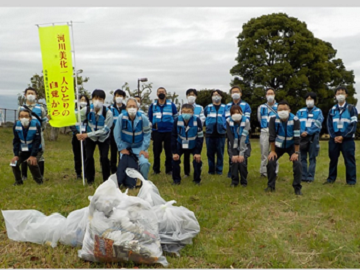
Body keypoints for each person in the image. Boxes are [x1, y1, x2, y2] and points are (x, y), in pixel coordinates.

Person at [76, 89, 113, 185]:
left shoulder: (108, 113)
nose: (98, 101)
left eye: (100, 99)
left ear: (104, 101)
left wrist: (87, 135)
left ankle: (106, 180)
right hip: (90, 138)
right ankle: (90, 180)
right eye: (96, 98)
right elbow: (75, 117)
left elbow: (105, 130)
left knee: (104, 158)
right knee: (88, 157)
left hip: (103, 138)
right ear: (92, 99)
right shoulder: (87, 110)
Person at [266, 100, 302, 195]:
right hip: (278, 146)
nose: (282, 111)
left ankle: (297, 188)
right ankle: (270, 186)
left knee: (298, 164)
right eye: (280, 109)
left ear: (289, 110)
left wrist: (296, 153)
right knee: (270, 162)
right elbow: (272, 136)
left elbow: (297, 137)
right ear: (277, 111)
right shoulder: (273, 119)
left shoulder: (295, 119)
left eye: (285, 109)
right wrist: (272, 151)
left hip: (292, 146)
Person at [114, 97, 151, 187]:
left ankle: (144, 182)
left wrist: (144, 148)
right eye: (129, 106)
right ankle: (126, 182)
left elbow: (147, 134)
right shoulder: (121, 118)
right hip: (126, 147)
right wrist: (121, 148)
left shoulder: (143, 118)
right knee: (125, 164)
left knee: (145, 163)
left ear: (137, 108)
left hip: (139, 147)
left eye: (134, 106)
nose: (132, 108)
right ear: (126, 108)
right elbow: (116, 133)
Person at [324, 86, 358, 185]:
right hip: (334, 139)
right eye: (338, 93)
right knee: (333, 159)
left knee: (349, 160)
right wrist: (334, 136)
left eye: (342, 93)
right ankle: (331, 179)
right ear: (335, 95)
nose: (340, 95)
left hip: (347, 139)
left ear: (346, 95)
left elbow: (353, 125)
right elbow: (329, 125)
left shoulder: (351, 109)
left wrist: (344, 136)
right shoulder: (332, 110)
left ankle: (351, 181)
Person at [18, 87, 47, 180]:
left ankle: (40, 175)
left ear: (36, 96)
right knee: (24, 152)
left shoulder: (40, 108)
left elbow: (44, 120)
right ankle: (24, 175)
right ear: (25, 95)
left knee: (40, 153)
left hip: (38, 134)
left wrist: (41, 130)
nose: (30, 95)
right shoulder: (21, 108)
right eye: (28, 93)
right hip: (25, 134)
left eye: (32, 93)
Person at [148, 87, 178, 175]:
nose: (161, 93)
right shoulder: (153, 105)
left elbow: (175, 116)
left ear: (166, 93)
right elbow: (150, 117)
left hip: (169, 131)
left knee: (169, 151)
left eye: (163, 92)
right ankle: (156, 170)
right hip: (157, 131)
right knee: (156, 151)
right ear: (157, 94)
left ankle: (169, 169)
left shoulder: (171, 104)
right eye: (159, 92)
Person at [171, 104, 204, 185]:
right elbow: (173, 136)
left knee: (197, 161)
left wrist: (198, 152)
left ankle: (197, 180)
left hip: (194, 145)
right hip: (180, 144)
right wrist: (174, 152)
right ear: (181, 112)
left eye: (189, 112)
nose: (186, 113)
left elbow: (200, 137)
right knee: (175, 160)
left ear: (192, 112)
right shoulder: (177, 120)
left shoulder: (197, 120)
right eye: (184, 112)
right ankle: (176, 180)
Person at [296, 92, 324, 183]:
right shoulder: (300, 112)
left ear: (315, 101)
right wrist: (301, 132)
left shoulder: (318, 111)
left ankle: (310, 177)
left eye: (311, 99)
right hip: (302, 137)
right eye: (307, 99)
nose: (309, 101)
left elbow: (318, 123)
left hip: (313, 137)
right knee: (302, 157)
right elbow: (296, 124)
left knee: (312, 157)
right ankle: (303, 176)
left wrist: (308, 132)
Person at [10, 109, 43, 186]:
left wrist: (33, 155)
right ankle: (18, 182)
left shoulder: (35, 125)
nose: (24, 118)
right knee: (14, 163)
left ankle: (39, 181)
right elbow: (16, 141)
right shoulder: (16, 125)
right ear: (18, 118)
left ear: (30, 118)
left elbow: (37, 141)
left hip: (36, 150)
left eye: (26, 116)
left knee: (31, 162)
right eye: (21, 116)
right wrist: (16, 155)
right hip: (24, 150)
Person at [225, 85, 251, 177]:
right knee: (232, 151)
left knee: (243, 152)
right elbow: (227, 118)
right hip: (232, 132)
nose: (235, 94)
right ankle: (232, 172)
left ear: (241, 93)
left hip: (243, 132)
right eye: (233, 92)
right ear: (231, 94)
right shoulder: (227, 105)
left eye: (237, 92)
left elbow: (247, 118)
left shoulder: (246, 105)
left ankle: (244, 173)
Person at [180, 88, 205, 177]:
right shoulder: (183, 106)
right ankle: (187, 172)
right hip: (186, 135)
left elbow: (202, 118)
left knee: (196, 154)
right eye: (189, 94)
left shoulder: (200, 107)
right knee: (186, 155)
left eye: (193, 95)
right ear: (186, 96)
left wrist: (196, 126)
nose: (191, 96)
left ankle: (198, 170)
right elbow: (181, 118)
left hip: (195, 133)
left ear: (196, 97)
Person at [226, 105, 251, 187]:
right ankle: (234, 181)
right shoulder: (228, 121)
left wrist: (241, 154)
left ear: (241, 112)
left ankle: (244, 181)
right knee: (234, 162)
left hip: (245, 144)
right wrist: (234, 153)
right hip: (232, 144)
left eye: (238, 112)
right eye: (234, 113)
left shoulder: (246, 121)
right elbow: (230, 137)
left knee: (242, 162)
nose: (236, 114)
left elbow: (244, 138)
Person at [203, 90, 227, 175]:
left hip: (221, 133)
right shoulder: (208, 107)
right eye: (214, 95)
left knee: (220, 153)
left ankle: (219, 170)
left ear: (221, 96)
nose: (216, 96)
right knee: (210, 153)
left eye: (217, 94)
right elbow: (205, 116)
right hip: (210, 133)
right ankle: (211, 171)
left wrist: (224, 127)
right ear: (211, 97)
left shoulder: (225, 107)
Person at [257, 87, 279, 178]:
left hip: (275, 132)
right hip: (264, 131)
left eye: (271, 93)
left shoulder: (279, 107)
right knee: (264, 151)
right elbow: (259, 118)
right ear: (265, 96)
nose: (270, 95)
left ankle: (274, 171)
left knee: (275, 152)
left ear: (274, 95)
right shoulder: (261, 107)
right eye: (268, 94)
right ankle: (263, 171)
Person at [69, 94, 90, 179]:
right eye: (81, 100)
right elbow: (71, 123)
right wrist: (76, 133)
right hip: (76, 136)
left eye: (85, 100)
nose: (83, 102)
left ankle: (86, 172)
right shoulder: (74, 111)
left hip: (86, 136)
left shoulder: (89, 112)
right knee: (77, 156)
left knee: (87, 155)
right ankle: (78, 173)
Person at [108, 89, 127, 174]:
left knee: (122, 152)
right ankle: (113, 169)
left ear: (123, 97)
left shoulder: (126, 108)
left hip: (123, 134)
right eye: (117, 96)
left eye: (120, 96)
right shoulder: (110, 108)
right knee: (113, 152)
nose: (119, 97)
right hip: (112, 134)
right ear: (114, 97)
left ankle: (121, 169)